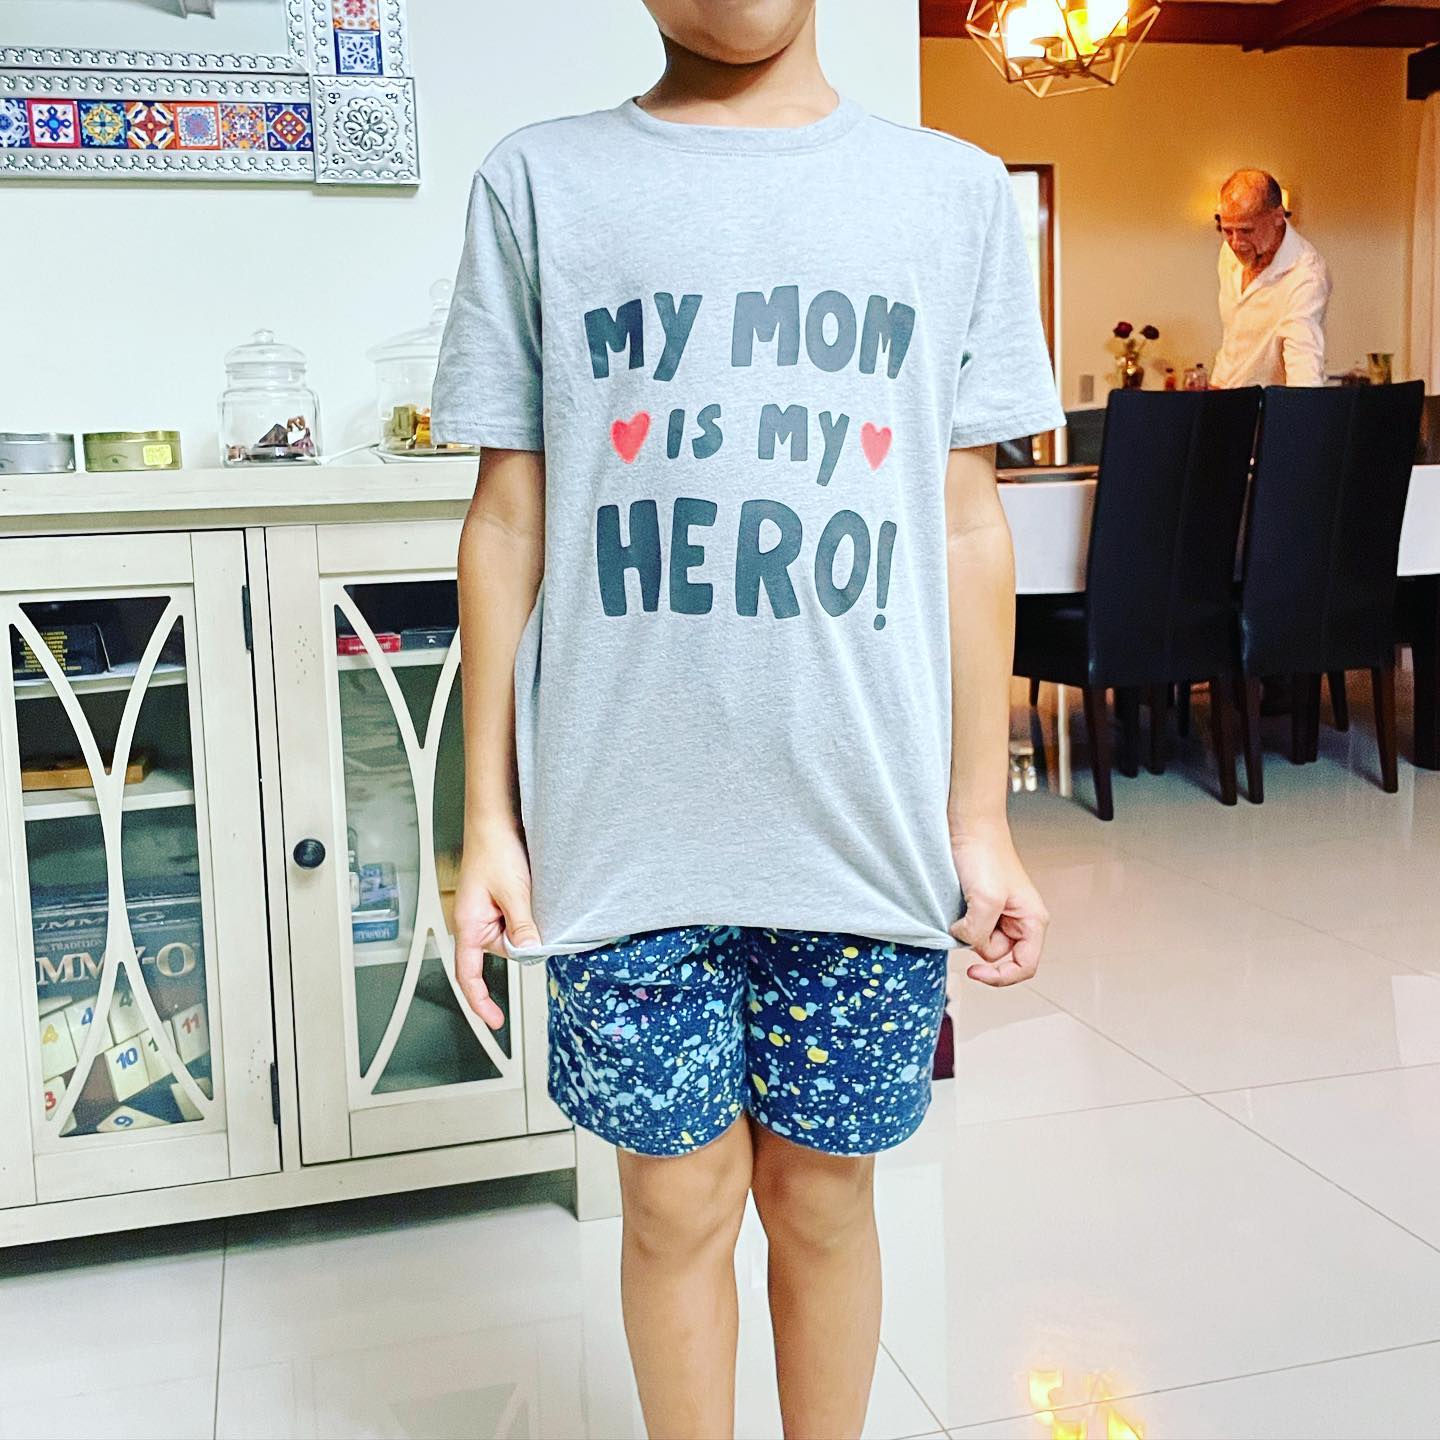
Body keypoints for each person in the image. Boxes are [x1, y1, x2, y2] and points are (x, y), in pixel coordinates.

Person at [432, 3, 1063, 1435]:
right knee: (670, 1197)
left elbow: (967, 527)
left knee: (827, 1196)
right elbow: (509, 518)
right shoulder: (540, 183)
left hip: (861, 820)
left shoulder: (955, 194)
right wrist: (488, 823)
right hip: (620, 820)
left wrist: (979, 817)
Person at [1211, 167, 1332, 388]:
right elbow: (1234, 340)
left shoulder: (1306, 275)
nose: (1236, 243)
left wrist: (1299, 414)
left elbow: (1304, 367)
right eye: (1228, 230)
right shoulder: (1229, 253)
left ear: (1278, 217)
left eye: (1247, 231)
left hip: (1270, 409)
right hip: (1225, 400)